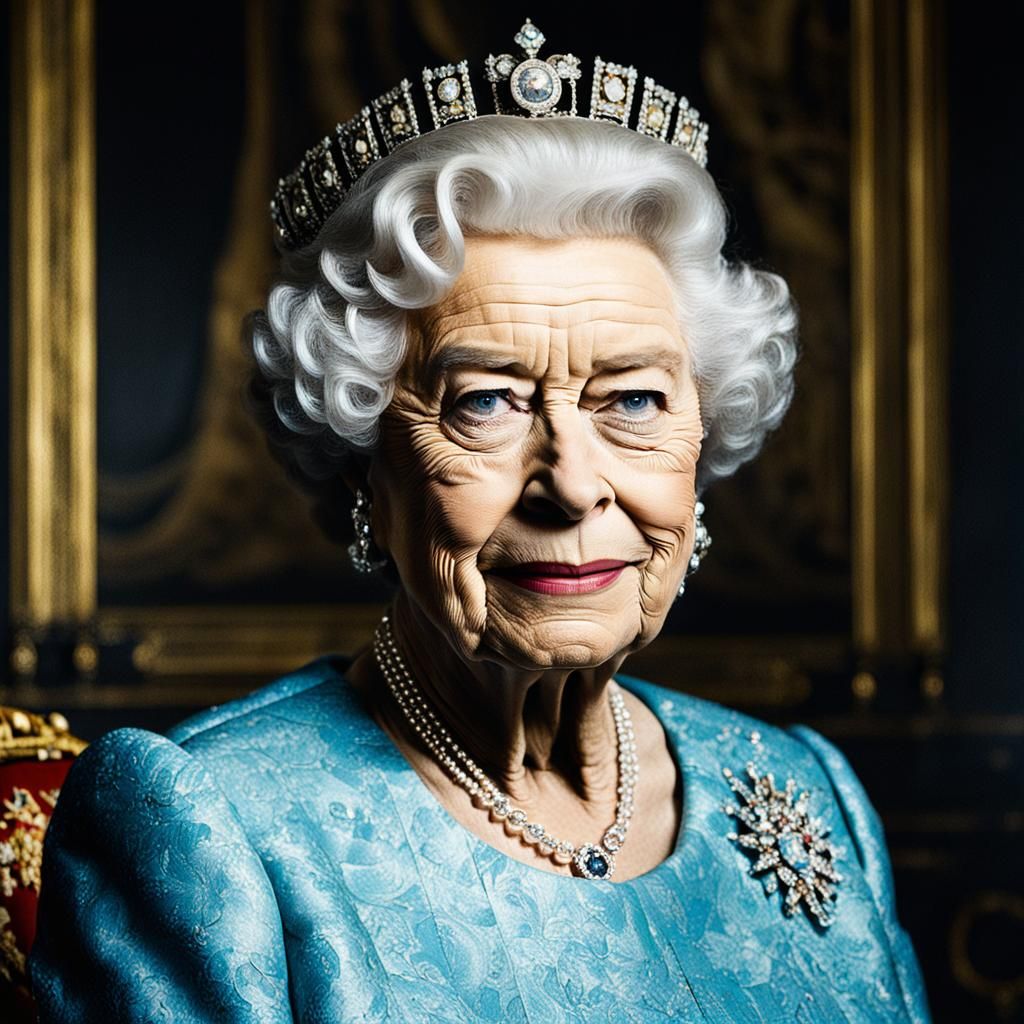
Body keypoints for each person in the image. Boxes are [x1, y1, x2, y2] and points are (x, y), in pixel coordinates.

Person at [28, 20, 931, 1023]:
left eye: (631, 400)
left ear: (702, 443)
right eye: (485, 402)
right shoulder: (213, 826)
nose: (573, 485)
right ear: (366, 457)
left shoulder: (809, 792)